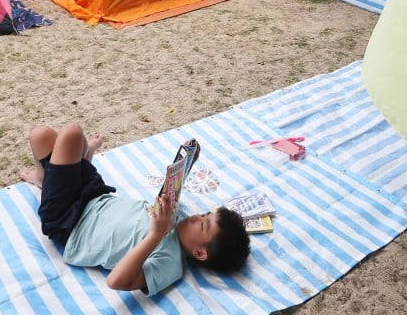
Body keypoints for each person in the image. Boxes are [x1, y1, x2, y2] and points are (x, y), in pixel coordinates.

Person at [20, 121, 250, 295]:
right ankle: (46, 176)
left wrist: (156, 234)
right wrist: (188, 162)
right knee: (44, 136)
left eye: (203, 224)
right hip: (95, 195)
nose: (196, 216)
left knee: (70, 133)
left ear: (200, 253)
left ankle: (51, 176)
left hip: (68, 221)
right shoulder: (177, 218)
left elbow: (117, 282)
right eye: (205, 213)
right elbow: (170, 190)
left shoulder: (169, 263)